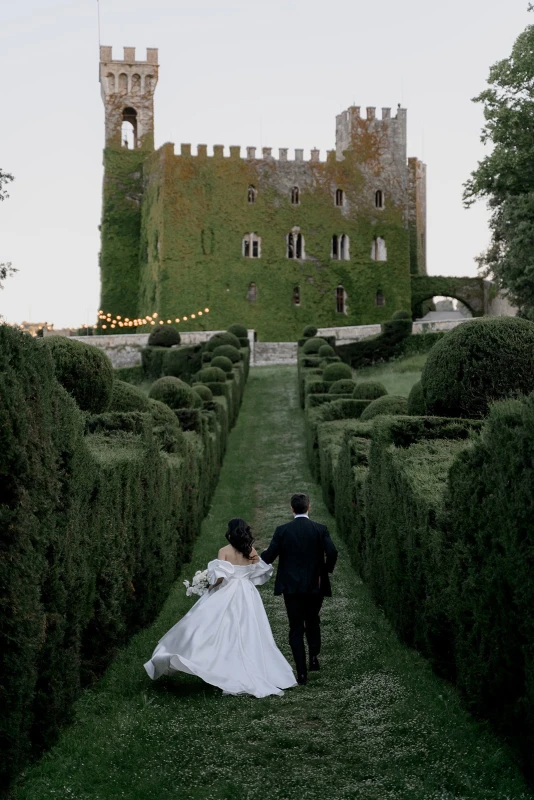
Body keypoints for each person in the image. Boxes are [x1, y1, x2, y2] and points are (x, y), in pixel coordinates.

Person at [144, 518, 296, 698]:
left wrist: (210, 586)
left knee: (214, 626)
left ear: (230, 532)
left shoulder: (224, 551)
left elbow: (220, 578)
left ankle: (217, 663)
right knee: (250, 630)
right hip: (247, 593)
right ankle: (254, 666)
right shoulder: (251, 551)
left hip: (229, 592)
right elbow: (260, 571)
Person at [261, 493, 338, 686]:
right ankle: (313, 656)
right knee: (313, 619)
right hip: (315, 584)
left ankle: (301, 673)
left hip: (292, 586)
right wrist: (326, 570)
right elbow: (333, 552)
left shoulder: (282, 530)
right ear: (309, 507)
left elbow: (269, 557)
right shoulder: (320, 529)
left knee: (295, 627)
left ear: (292, 509)